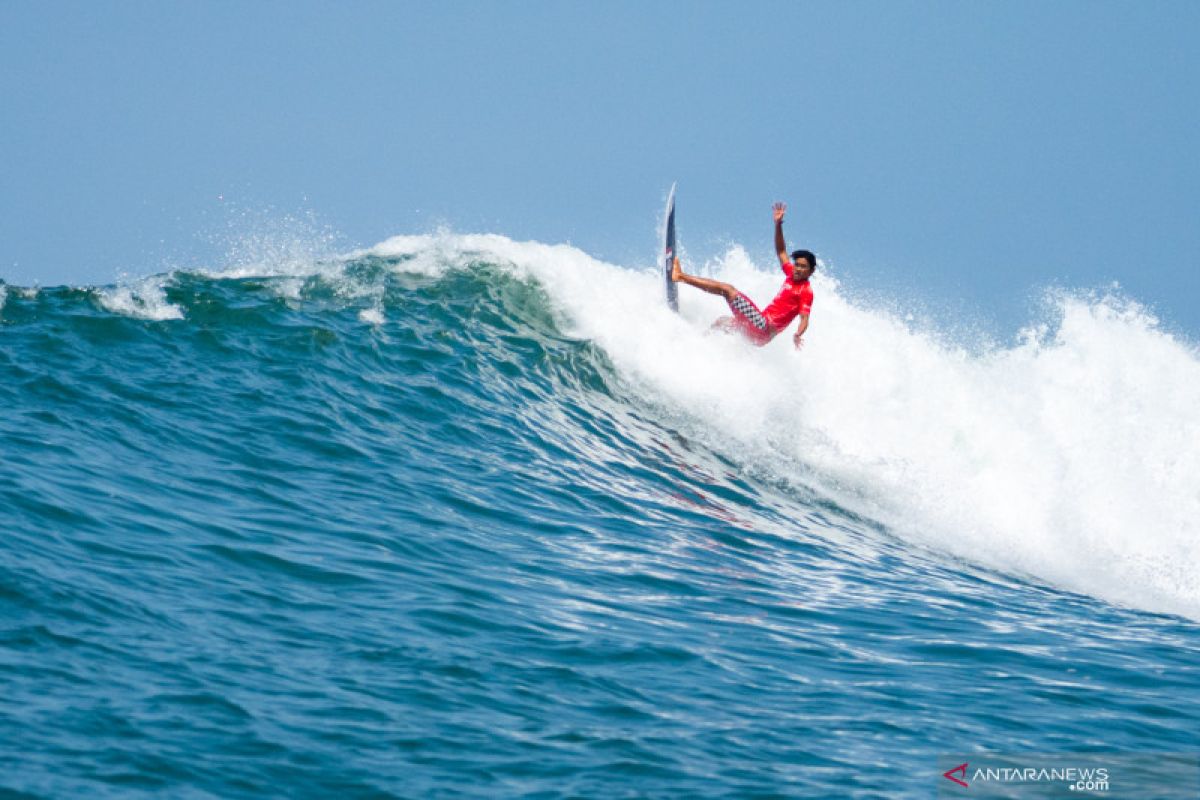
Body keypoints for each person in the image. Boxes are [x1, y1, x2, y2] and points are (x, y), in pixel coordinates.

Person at [671, 202, 815, 349]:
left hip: (763, 328)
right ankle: (696, 345)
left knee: (728, 290)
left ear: (811, 271)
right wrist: (778, 225)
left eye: (803, 267)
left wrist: (798, 333)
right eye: (797, 264)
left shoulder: (806, 291)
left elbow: (805, 318)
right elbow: (781, 252)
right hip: (758, 333)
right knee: (722, 323)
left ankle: (681, 276)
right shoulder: (791, 273)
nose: (797, 269)